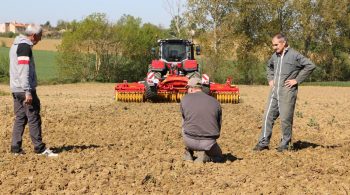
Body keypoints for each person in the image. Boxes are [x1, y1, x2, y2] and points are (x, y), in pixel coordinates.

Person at [253, 33, 316, 152]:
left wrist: (296, 80)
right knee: (267, 116)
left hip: (287, 92)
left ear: (284, 43)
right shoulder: (274, 56)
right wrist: (270, 79)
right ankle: (263, 142)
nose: (274, 47)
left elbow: (310, 66)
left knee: (285, 119)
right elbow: (269, 67)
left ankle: (285, 144)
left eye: (276, 45)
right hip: (274, 92)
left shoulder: (295, 55)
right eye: (273, 45)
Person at [9, 24, 58, 157]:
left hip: (15, 88)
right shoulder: (24, 46)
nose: (40, 40)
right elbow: (23, 70)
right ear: (33, 35)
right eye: (40, 36)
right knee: (34, 117)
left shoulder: (15, 45)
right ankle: (40, 149)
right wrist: (28, 91)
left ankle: (15, 149)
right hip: (24, 88)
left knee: (20, 117)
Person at [180, 77, 223, 162]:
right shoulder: (215, 102)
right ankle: (207, 156)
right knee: (219, 156)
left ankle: (188, 152)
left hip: (189, 140)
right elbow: (219, 125)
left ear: (191, 89)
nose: (187, 91)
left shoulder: (184, 99)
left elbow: (185, 121)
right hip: (209, 143)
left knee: (185, 122)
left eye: (187, 88)